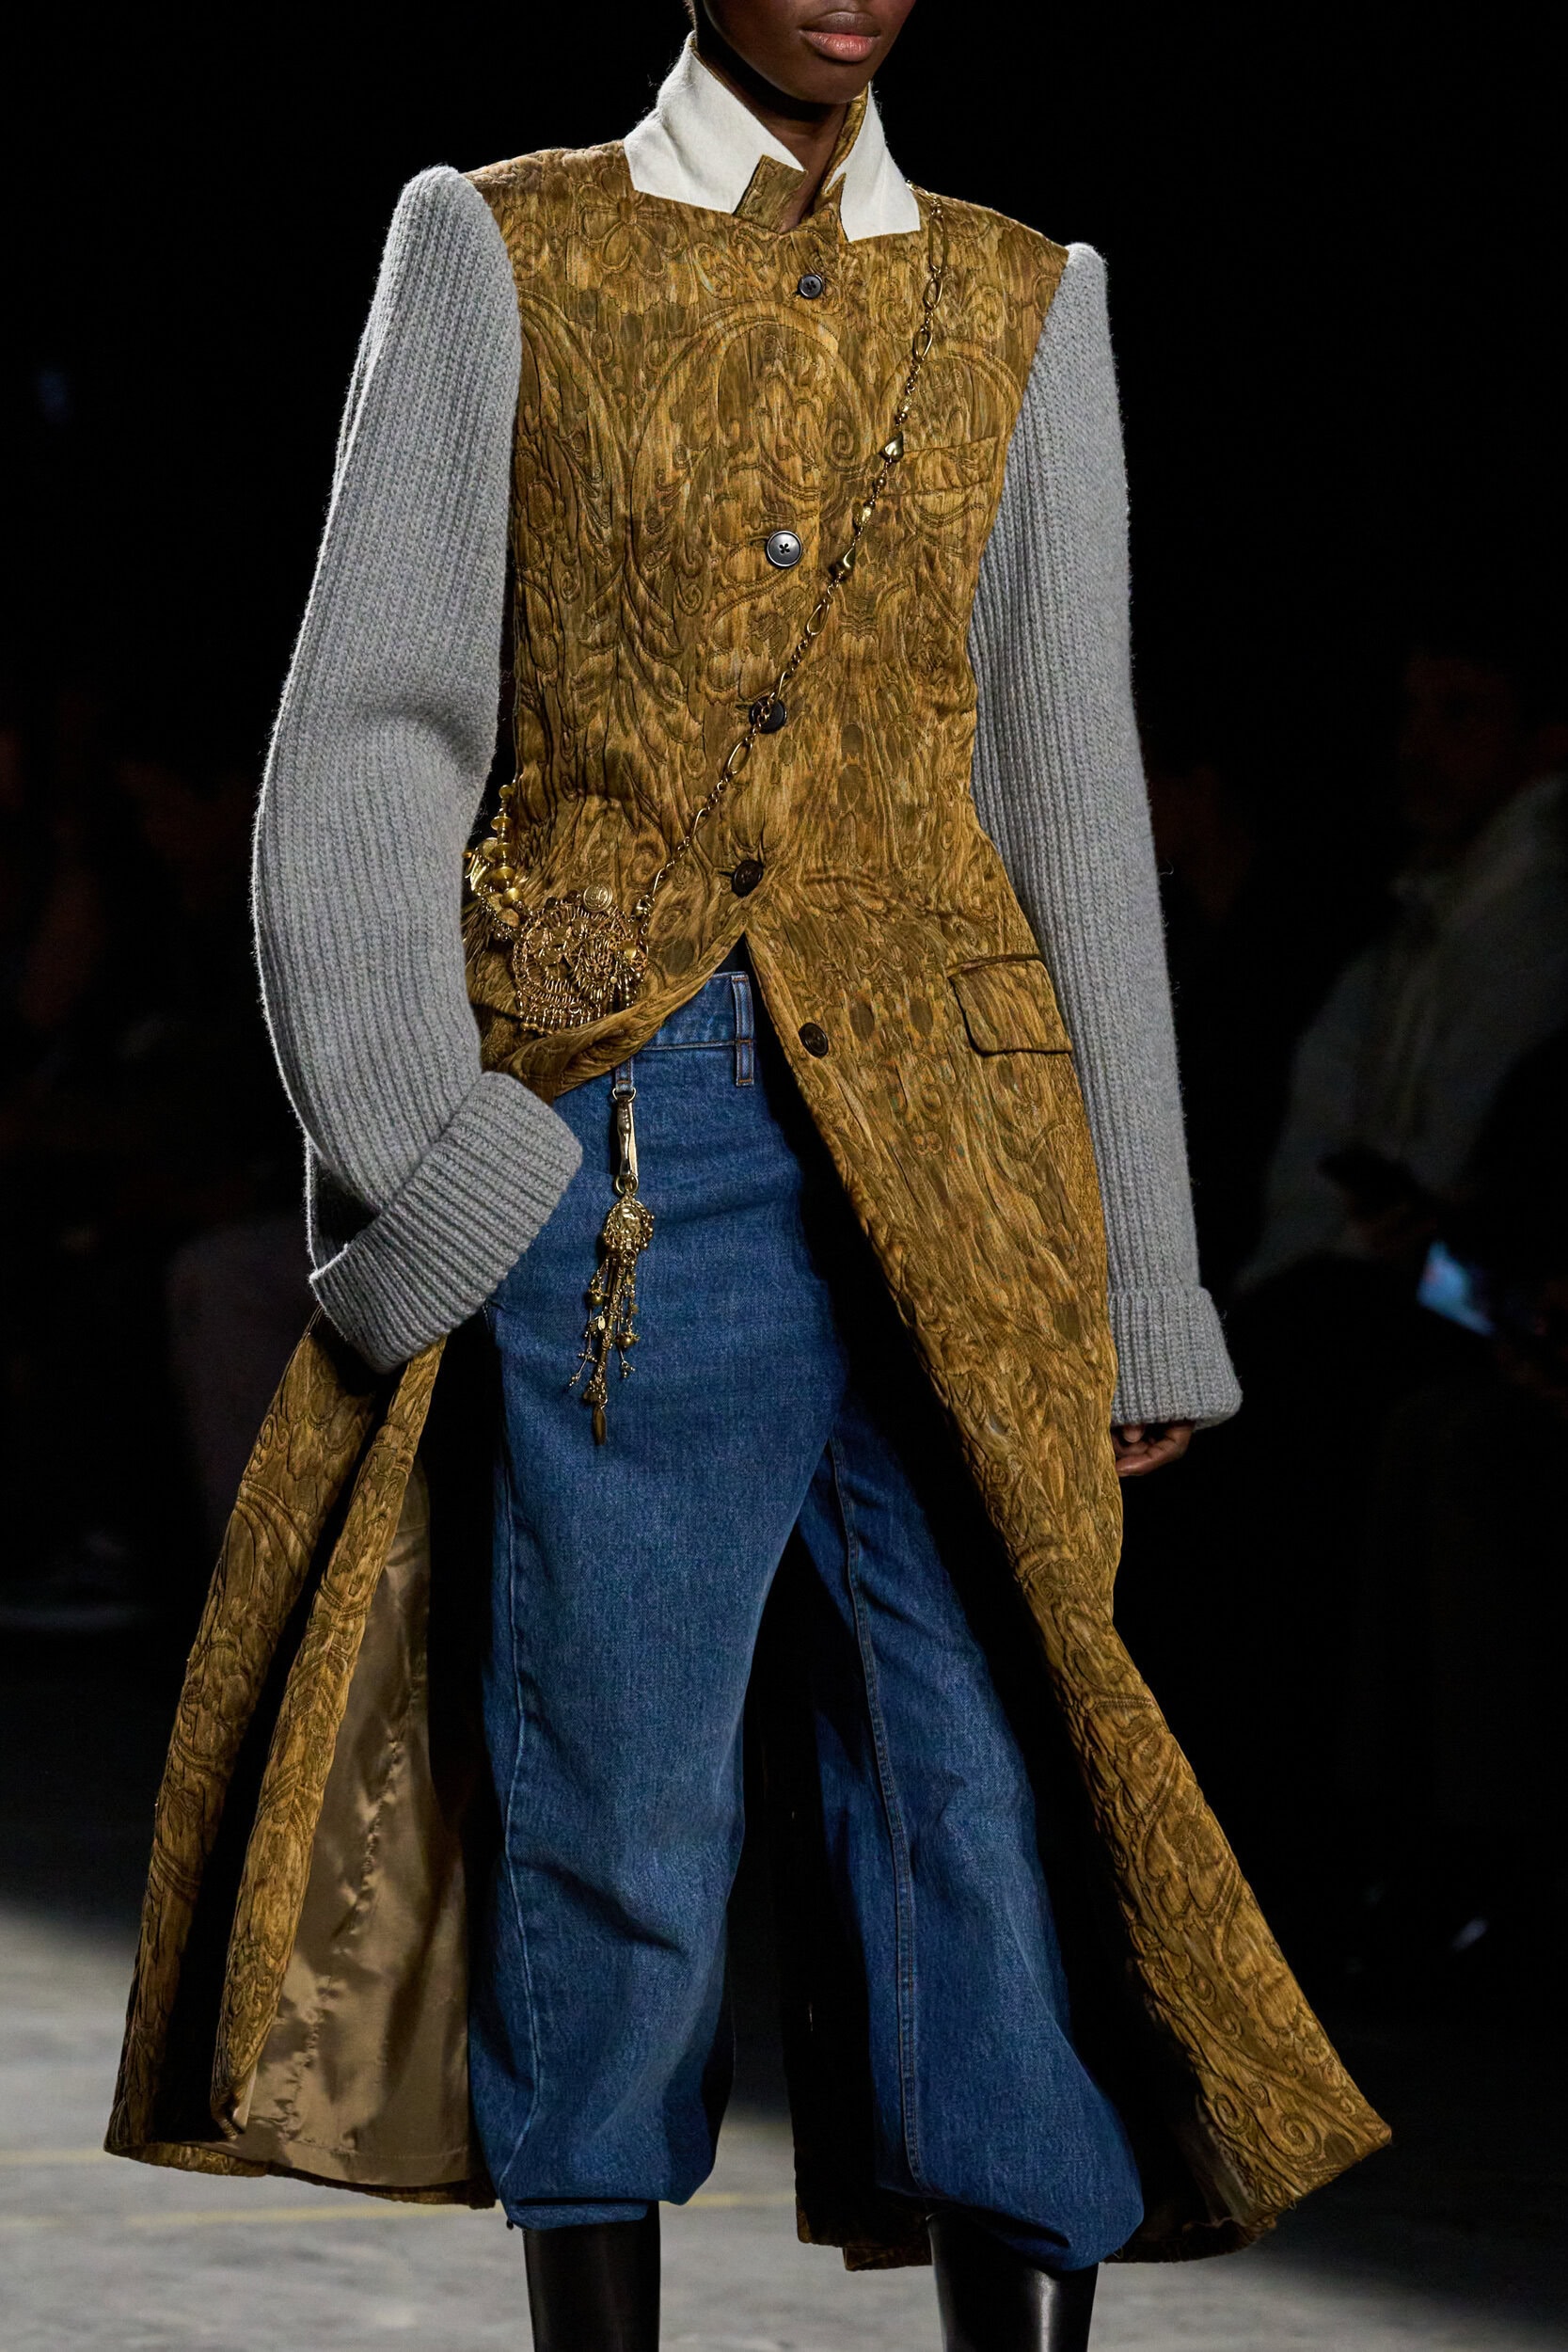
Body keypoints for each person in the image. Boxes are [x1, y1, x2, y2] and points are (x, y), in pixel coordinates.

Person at [106, 8, 1386, 2348]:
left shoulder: (1023, 291)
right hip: (617, 1152)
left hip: (973, 1167)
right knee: (612, 1800)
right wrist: (426, 1149)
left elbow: (1067, 789)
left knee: (986, 1788)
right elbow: (376, 727)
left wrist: (1139, 1268)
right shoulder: (502, 246)